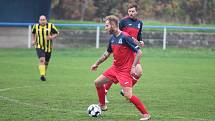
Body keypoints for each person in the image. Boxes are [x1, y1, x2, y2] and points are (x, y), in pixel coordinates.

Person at [91, 15, 150, 120]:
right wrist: (97, 63)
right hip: (115, 68)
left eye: (107, 25)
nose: (105, 28)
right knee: (98, 82)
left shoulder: (125, 37)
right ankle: (102, 105)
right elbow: (107, 54)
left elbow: (139, 52)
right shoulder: (112, 38)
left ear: (113, 25)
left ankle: (146, 114)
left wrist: (133, 67)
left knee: (128, 95)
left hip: (124, 71)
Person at [104, 3, 144, 101]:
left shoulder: (140, 23)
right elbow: (117, 33)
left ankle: (125, 90)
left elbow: (138, 35)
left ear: (137, 12)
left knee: (139, 72)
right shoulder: (123, 22)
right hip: (124, 51)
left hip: (133, 50)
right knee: (117, 73)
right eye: (129, 11)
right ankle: (104, 91)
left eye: (133, 11)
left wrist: (140, 41)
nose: (131, 13)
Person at [32, 15, 59, 81]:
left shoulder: (51, 26)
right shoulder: (35, 26)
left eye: (44, 19)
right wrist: (33, 40)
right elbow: (33, 33)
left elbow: (57, 33)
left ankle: (43, 71)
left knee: (46, 62)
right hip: (39, 46)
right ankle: (42, 75)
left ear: (46, 20)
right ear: (39, 20)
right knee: (42, 60)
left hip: (48, 47)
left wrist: (51, 37)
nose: (42, 21)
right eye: (41, 20)